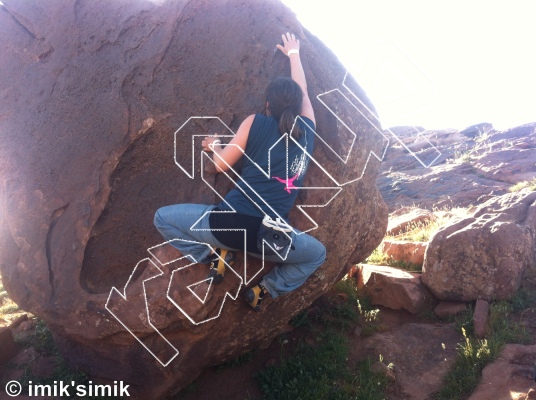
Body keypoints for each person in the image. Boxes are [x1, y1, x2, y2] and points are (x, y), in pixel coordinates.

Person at [154, 33, 326, 311]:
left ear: (267, 104)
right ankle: (264, 290)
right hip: (268, 240)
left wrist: (215, 146)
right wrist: (294, 54)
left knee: (163, 218)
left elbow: (220, 164)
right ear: (297, 106)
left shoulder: (255, 122)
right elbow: (303, 92)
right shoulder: (307, 130)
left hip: (227, 226)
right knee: (316, 255)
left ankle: (214, 257)